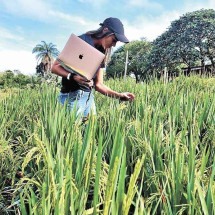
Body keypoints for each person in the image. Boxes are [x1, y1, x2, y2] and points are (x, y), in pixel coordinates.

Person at [51, 17, 135, 119]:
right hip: (73, 97)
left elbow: (99, 85)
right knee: (73, 133)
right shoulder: (81, 41)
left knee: (89, 133)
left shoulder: (102, 52)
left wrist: (119, 96)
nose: (114, 44)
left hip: (89, 98)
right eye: (114, 40)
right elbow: (55, 67)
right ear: (105, 30)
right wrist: (72, 76)